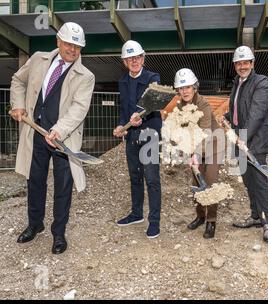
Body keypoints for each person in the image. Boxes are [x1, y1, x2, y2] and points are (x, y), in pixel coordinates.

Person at [10, 22, 95, 254]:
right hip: (35, 132)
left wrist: (59, 130)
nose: (73, 50)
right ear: (58, 41)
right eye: (69, 43)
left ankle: (59, 233)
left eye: (78, 46)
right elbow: (18, 81)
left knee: (63, 185)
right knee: (34, 180)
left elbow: (79, 108)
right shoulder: (38, 59)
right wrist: (18, 105)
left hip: (62, 139)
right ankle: (35, 224)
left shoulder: (85, 76)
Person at [220, 46, 268, 242]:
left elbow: (257, 112)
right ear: (235, 65)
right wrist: (227, 117)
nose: (242, 66)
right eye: (239, 63)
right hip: (239, 138)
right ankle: (255, 216)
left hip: (255, 141)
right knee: (248, 180)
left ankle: (267, 223)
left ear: (252, 64)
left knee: (259, 181)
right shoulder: (237, 83)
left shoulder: (262, 82)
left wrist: (245, 137)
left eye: (246, 62)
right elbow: (239, 110)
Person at [113, 40, 162, 239]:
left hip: (150, 134)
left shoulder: (153, 78)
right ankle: (136, 214)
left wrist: (140, 114)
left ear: (143, 58)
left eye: (138, 57)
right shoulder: (123, 82)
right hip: (132, 136)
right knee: (135, 177)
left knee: (151, 179)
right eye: (130, 58)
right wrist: (121, 125)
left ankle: (155, 222)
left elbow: (154, 103)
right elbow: (123, 110)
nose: (135, 61)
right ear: (125, 61)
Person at [173, 68, 223, 238]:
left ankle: (211, 220)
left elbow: (205, 132)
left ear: (195, 87)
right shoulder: (180, 106)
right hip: (196, 146)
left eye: (187, 87)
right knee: (196, 182)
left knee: (210, 181)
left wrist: (195, 154)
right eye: (181, 88)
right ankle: (201, 216)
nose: (184, 91)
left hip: (213, 145)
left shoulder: (203, 104)